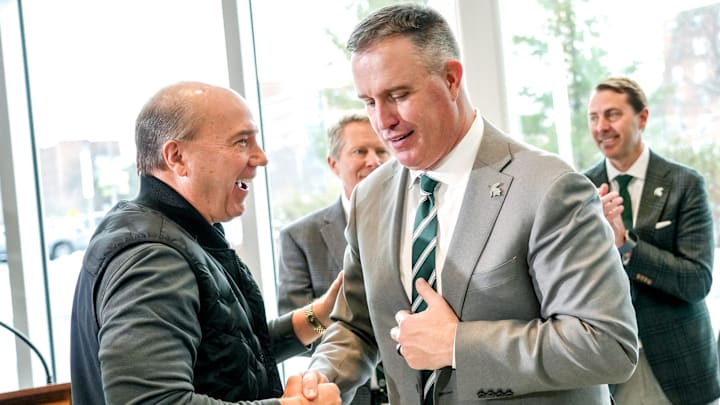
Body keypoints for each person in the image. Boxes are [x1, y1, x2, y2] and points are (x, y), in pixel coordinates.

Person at [305, 4, 639, 404]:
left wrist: (457, 345)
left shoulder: (550, 187)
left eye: (397, 95)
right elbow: (356, 325)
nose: (383, 120)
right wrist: (323, 376)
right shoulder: (369, 196)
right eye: (369, 101)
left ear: (451, 79)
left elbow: (607, 345)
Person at [70, 81, 341, 405]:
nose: (261, 157)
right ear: (177, 157)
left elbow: (226, 348)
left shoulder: (163, 230)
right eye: (242, 142)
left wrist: (320, 315)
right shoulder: (154, 259)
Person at [585, 76, 720, 405]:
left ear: (642, 118)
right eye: (593, 117)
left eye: (612, 114)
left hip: (683, 365)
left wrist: (626, 247)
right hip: (614, 369)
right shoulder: (581, 190)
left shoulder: (684, 183)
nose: (601, 126)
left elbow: (697, 281)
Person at [277, 114, 390, 405]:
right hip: (341, 393)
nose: (373, 161)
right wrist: (352, 321)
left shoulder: (410, 223)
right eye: (360, 151)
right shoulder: (300, 236)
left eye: (381, 151)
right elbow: (296, 332)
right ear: (333, 164)